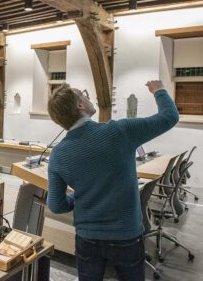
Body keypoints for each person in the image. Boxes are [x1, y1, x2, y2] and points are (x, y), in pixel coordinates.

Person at [46, 81, 179, 281]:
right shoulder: (119, 131)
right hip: (126, 236)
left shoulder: (57, 154)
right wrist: (159, 90)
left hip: (87, 238)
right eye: (83, 94)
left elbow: (56, 205)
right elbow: (169, 117)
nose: (87, 97)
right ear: (80, 106)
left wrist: (81, 197)